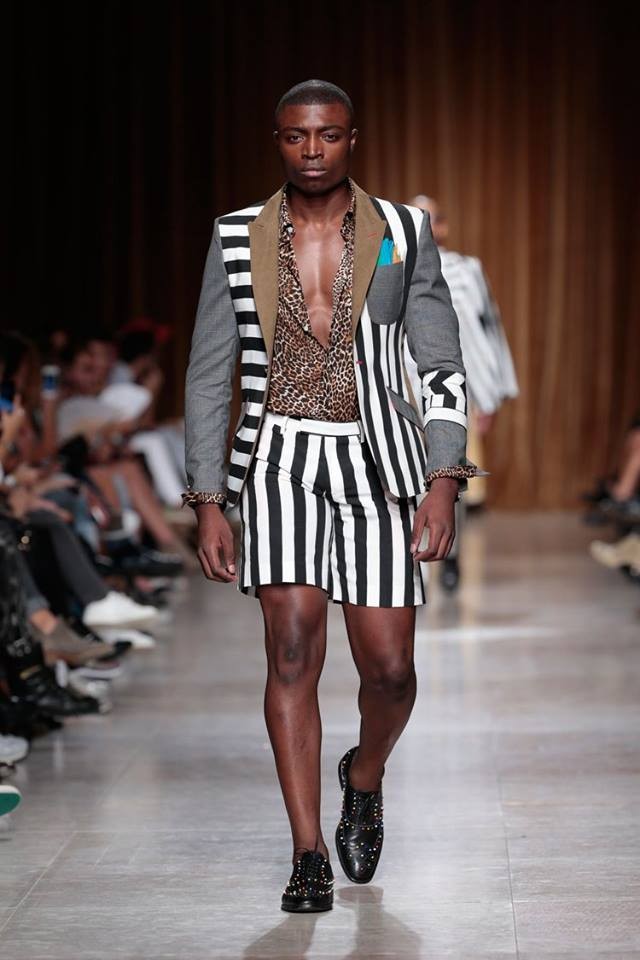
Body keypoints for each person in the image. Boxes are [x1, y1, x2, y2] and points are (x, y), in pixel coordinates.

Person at [184, 80, 483, 913]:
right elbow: (209, 373)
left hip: (378, 461)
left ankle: (365, 772)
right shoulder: (236, 235)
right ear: (277, 139)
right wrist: (207, 497)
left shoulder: (404, 231)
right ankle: (307, 852)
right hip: (277, 457)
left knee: (391, 670)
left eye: (326, 135)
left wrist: (443, 480)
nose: (311, 151)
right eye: (294, 136)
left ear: (353, 138)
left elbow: (441, 363)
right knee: (291, 651)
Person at [406, 195, 518, 589]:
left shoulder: (468, 271)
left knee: (450, 475)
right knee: (405, 477)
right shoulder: (389, 264)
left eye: (429, 218)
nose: (422, 226)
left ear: (443, 226)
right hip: (400, 394)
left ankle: (449, 555)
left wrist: (488, 396)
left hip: (454, 390)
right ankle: (411, 562)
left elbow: (486, 330)